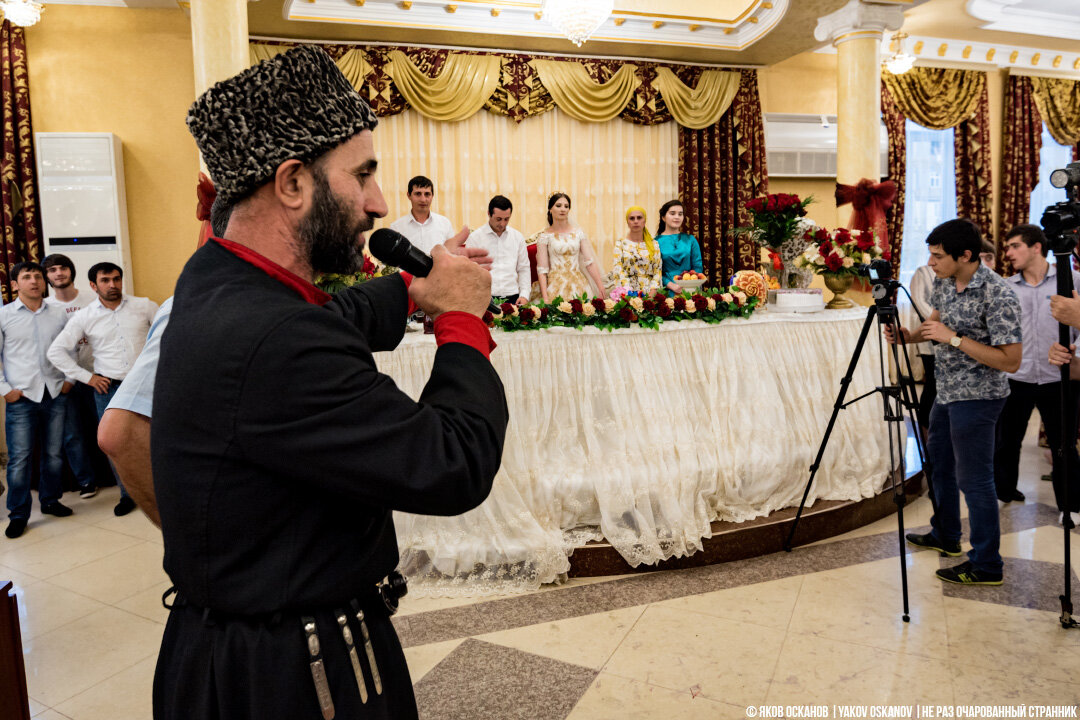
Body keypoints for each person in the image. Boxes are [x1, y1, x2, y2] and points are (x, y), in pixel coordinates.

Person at [151, 46, 507, 720]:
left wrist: (414, 288)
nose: (377, 201)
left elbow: (332, 314)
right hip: (294, 674)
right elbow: (452, 463)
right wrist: (461, 320)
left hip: (226, 655)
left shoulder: (217, 280)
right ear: (292, 183)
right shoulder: (277, 340)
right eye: (363, 174)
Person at [887, 219, 1021, 586]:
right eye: (930, 255)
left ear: (966, 255)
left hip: (979, 398)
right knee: (939, 466)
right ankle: (946, 535)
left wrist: (954, 339)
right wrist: (907, 337)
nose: (931, 262)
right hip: (946, 393)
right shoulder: (944, 283)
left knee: (975, 481)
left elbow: (1011, 360)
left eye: (938, 255)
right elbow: (933, 325)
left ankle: (987, 564)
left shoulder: (999, 294)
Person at [46, 262, 158, 516]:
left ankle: (160, 490)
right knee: (115, 444)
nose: (112, 285)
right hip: (109, 389)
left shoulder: (145, 306)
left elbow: (169, 335)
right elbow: (56, 351)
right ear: (94, 286)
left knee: (155, 437)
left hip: (145, 383)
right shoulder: (85, 315)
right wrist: (88, 378)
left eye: (116, 279)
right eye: (105, 280)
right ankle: (127, 494)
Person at [994, 225, 1080, 520]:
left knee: (1063, 446)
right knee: (1007, 441)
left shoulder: (1073, 280)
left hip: (1060, 379)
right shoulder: (1005, 287)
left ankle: (1070, 506)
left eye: (1014, 246)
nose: (1008, 253)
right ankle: (1003, 492)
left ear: (1036, 248)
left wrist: (1075, 354)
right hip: (1016, 378)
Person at [1, 262, 76, 538]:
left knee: (54, 454)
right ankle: (19, 514)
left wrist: (70, 379)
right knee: (20, 458)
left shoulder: (59, 314)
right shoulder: (4, 316)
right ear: (15, 284)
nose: (34, 281)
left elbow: (71, 349)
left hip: (55, 392)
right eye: (26, 277)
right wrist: (5, 389)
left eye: (37, 276)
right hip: (21, 396)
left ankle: (50, 501)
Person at [535, 192, 605, 303]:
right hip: (555, 285)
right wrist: (545, 298)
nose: (563, 209)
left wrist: (600, 286)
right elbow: (542, 270)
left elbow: (589, 262)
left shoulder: (578, 233)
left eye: (566, 206)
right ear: (550, 209)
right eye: (558, 206)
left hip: (579, 283)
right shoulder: (544, 237)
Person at [466, 195, 530, 305]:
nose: (502, 224)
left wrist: (524, 295)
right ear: (489, 214)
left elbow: (523, 269)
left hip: (513, 297)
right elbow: (469, 272)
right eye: (498, 219)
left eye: (506, 219)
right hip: (485, 298)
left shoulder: (517, 237)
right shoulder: (475, 238)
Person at [388, 175, 468, 255]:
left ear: (432, 196)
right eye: (418, 194)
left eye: (427, 194)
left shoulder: (445, 223)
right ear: (409, 196)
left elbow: (452, 255)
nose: (423, 199)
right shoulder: (396, 228)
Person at [909, 261, 937, 432]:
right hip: (929, 339)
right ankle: (924, 432)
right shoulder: (923, 272)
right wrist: (942, 324)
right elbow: (919, 302)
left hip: (950, 340)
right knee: (932, 385)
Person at [655, 199, 704, 294]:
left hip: (691, 288)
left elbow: (697, 266)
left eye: (680, 214)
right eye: (672, 213)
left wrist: (689, 284)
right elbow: (655, 271)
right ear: (663, 217)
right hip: (667, 290)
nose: (677, 217)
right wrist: (671, 285)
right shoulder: (656, 242)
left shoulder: (690, 240)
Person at [611, 205, 662, 294]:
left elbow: (657, 270)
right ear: (627, 222)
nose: (636, 221)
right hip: (627, 294)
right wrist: (630, 295)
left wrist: (652, 292)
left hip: (650, 294)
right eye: (632, 218)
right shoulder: (620, 244)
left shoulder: (654, 244)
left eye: (639, 218)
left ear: (644, 221)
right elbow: (618, 270)